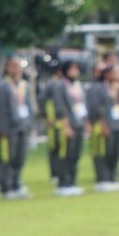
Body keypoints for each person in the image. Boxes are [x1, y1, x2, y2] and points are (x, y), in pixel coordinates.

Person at [0, 55, 32, 199]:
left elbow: (28, 107)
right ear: (7, 68)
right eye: (14, 65)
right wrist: (0, 129)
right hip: (7, 130)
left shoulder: (24, 85)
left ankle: (16, 184)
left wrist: (29, 125)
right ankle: (6, 187)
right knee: (6, 158)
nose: (17, 69)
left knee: (19, 158)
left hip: (22, 127)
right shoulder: (1, 85)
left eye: (19, 66)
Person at [50, 59, 88, 196]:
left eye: (76, 68)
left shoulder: (78, 85)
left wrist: (85, 122)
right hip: (67, 125)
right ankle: (63, 183)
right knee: (65, 154)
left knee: (75, 155)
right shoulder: (60, 85)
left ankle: (72, 182)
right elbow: (60, 107)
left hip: (78, 123)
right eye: (72, 68)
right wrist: (66, 126)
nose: (75, 71)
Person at [86, 63, 119, 192]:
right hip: (104, 125)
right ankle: (102, 179)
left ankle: (112, 178)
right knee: (103, 152)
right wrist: (103, 124)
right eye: (116, 72)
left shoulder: (118, 87)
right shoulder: (99, 88)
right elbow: (97, 108)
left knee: (115, 152)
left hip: (117, 124)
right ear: (107, 74)